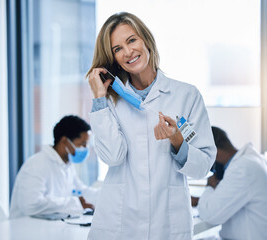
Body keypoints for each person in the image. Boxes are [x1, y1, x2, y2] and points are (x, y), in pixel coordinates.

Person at [86, 12, 216, 240]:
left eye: (131, 40)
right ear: (112, 58)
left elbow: (203, 166)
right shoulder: (108, 101)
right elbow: (113, 157)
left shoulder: (186, 95)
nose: (128, 52)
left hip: (167, 223)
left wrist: (177, 140)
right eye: (117, 49)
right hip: (119, 223)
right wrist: (99, 97)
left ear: (146, 39)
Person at [197, 126, 267, 240]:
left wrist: (210, 184)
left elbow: (209, 215)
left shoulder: (242, 169)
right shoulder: (256, 160)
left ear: (214, 152)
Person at [10, 115, 98, 219]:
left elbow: (82, 192)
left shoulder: (67, 166)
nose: (86, 149)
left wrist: (108, 195)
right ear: (65, 141)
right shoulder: (37, 164)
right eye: (82, 144)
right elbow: (31, 204)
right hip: (25, 229)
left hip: (49, 228)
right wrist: (75, 203)